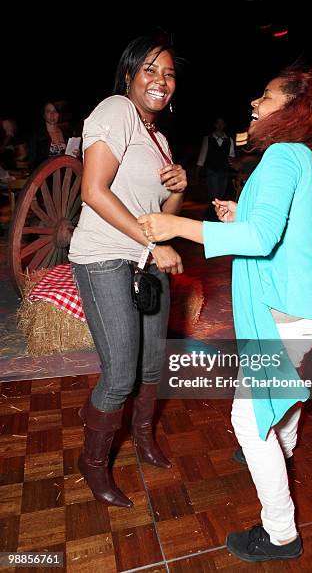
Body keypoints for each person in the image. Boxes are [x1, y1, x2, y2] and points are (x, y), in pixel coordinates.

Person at [138, 67, 312, 561]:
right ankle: (284, 447)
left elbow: (261, 240)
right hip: (301, 306)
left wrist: (176, 224)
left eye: (266, 96)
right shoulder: (306, 157)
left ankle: (281, 534)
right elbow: (280, 228)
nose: (255, 103)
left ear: (293, 108)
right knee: (281, 393)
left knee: (247, 417)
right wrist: (242, 213)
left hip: (286, 313)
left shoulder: (282, 155)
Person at [68, 35, 187, 508]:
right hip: (105, 257)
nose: (161, 80)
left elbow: (162, 210)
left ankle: (141, 438)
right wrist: (154, 244)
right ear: (129, 75)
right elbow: (93, 191)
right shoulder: (115, 110)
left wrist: (180, 185)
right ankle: (93, 463)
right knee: (120, 373)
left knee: (152, 365)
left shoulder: (159, 138)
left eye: (170, 73)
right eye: (151, 70)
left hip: (145, 258)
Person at [196, 117, 235, 219]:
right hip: (212, 169)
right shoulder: (208, 138)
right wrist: (198, 170)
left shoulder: (229, 139)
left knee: (221, 194)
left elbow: (231, 155)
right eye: (218, 123)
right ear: (215, 125)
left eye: (222, 123)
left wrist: (234, 166)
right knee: (214, 194)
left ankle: (219, 216)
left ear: (224, 125)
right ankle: (211, 216)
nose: (220, 126)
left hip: (224, 170)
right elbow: (203, 155)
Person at [28, 100, 80, 172]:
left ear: (59, 114)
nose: (52, 115)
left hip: (64, 176)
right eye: (48, 111)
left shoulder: (67, 133)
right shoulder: (37, 134)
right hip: (45, 177)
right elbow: (32, 160)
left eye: (55, 111)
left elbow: (71, 157)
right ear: (44, 115)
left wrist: (76, 154)